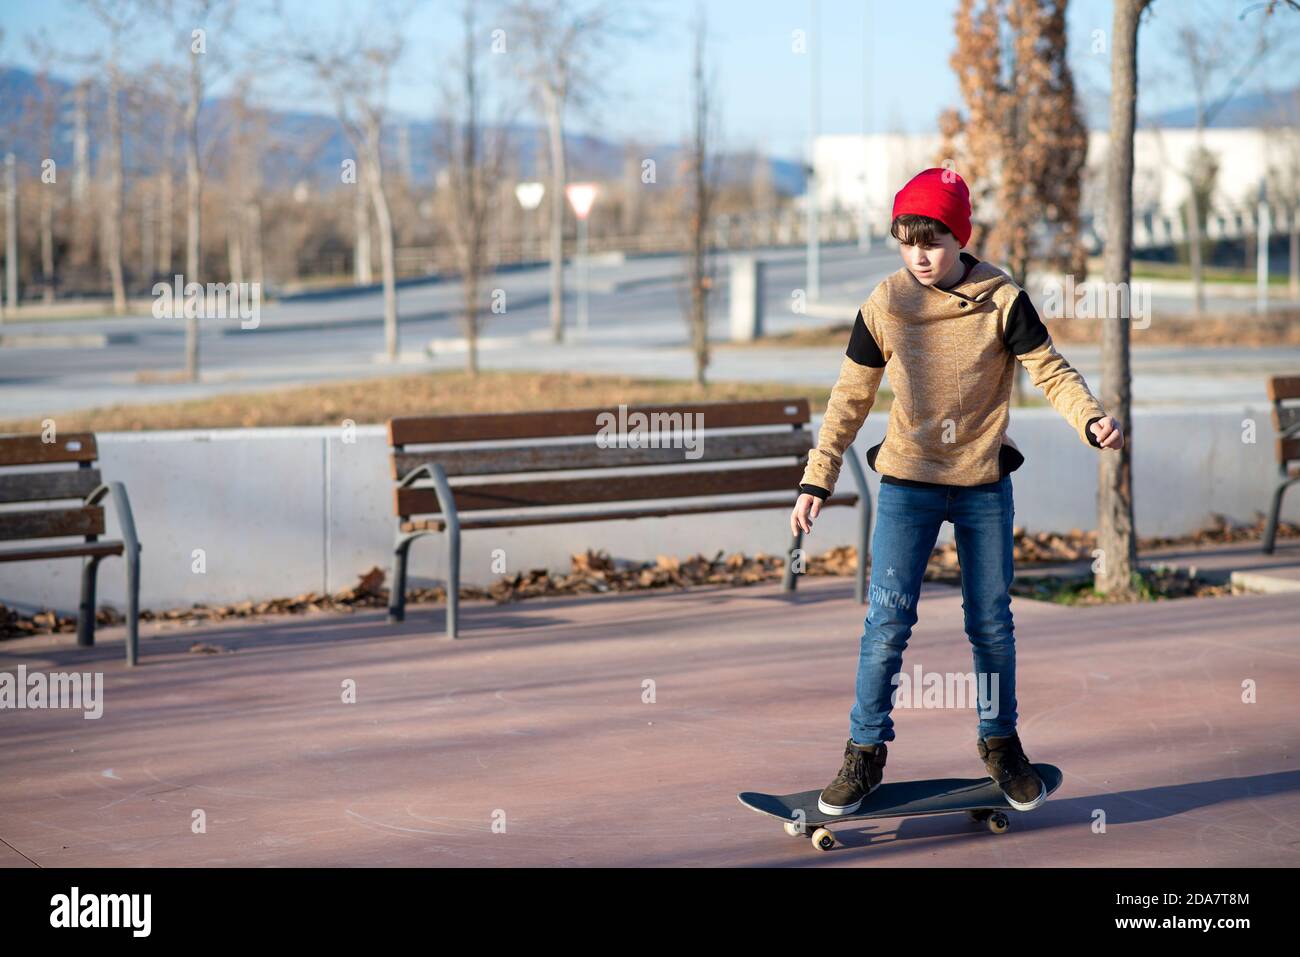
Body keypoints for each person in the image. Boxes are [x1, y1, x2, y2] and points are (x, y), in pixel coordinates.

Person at [789, 167, 1124, 816]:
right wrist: (817, 477)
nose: (920, 254)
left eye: (934, 240)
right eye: (908, 240)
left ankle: (1000, 742)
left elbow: (1050, 370)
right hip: (908, 485)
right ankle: (864, 752)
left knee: (992, 623)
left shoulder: (1001, 298)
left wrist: (1089, 416)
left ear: (960, 236)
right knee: (886, 621)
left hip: (980, 486)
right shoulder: (887, 302)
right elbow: (849, 398)